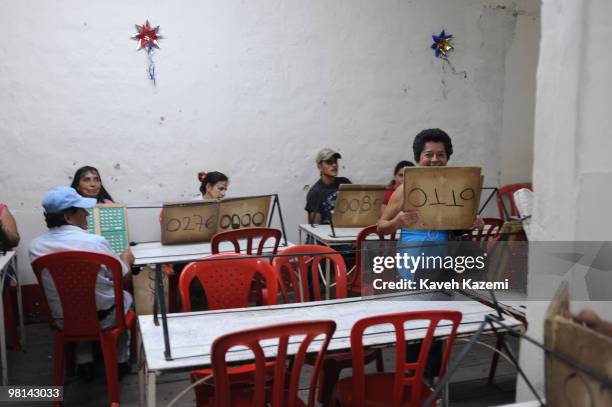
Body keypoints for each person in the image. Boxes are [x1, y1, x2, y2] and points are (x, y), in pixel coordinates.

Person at [28, 187, 134, 380]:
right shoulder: (95, 242)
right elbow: (123, 275)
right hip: (104, 319)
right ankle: (121, 361)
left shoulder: (35, 247)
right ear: (69, 217)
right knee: (124, 298)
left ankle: (84, 361)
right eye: (82, 210)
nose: (86, 213)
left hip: (62, 321)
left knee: (78, 303)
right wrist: (126, 258)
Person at [305, 148, 352, 224]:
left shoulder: (345, 183)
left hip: (348, 230)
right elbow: (316, 230)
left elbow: (357, 210)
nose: (334, 165)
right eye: (329, 162)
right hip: (327, 234)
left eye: (335, 161)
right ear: (319, 166)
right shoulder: (315, 192)